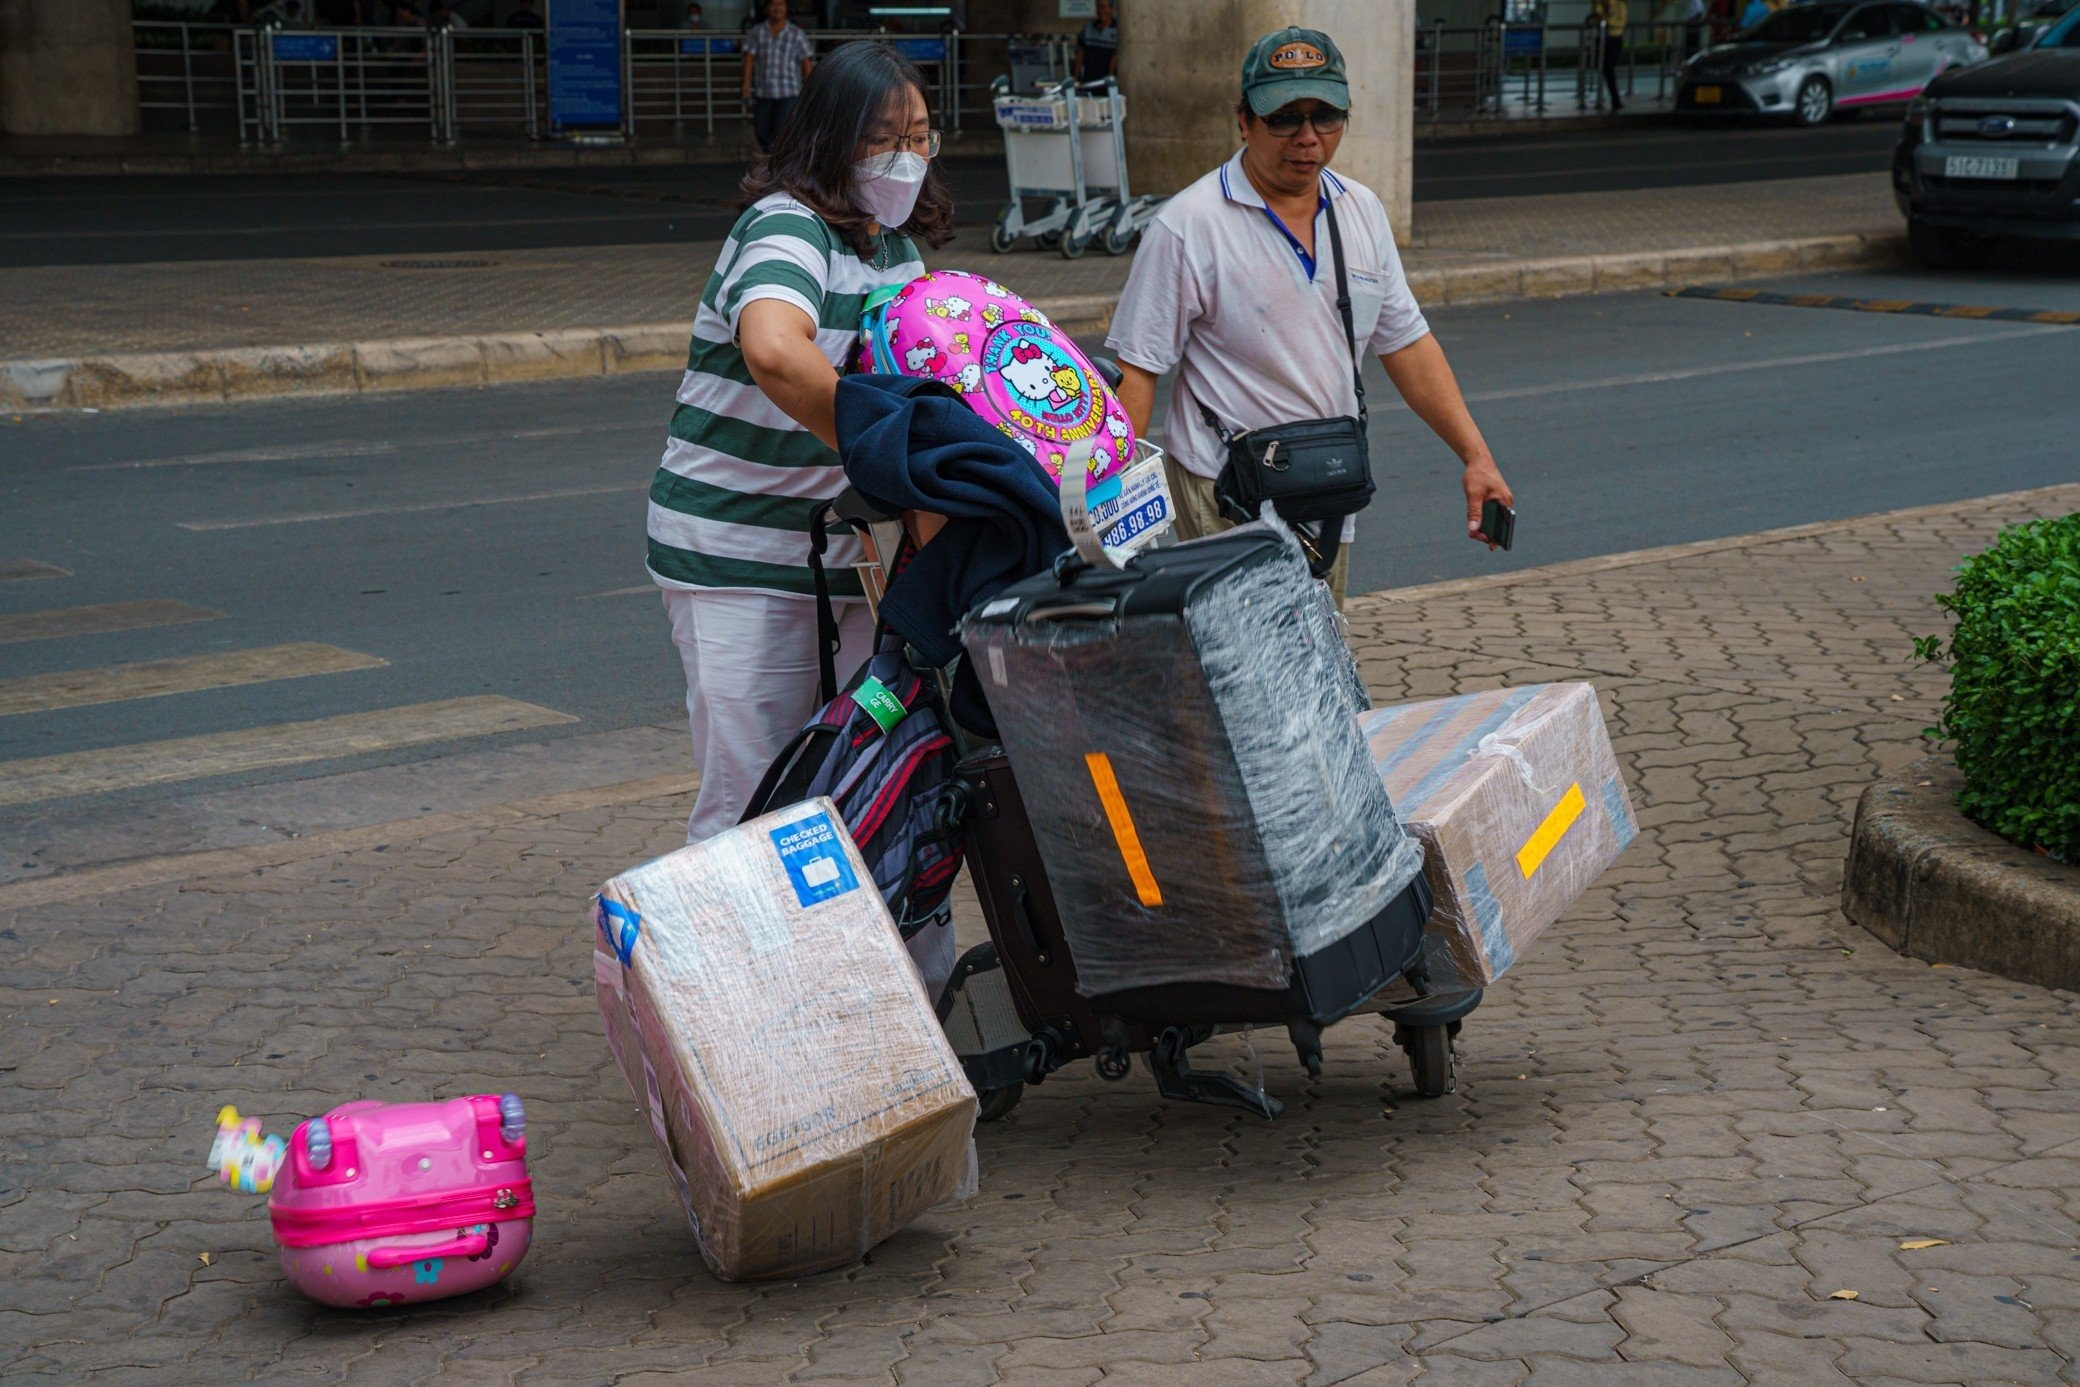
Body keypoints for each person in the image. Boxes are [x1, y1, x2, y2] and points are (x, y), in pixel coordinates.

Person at [648, 43, 954, 986]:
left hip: (843, 567)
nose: (903, 161)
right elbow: (777, 350)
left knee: (861, 778)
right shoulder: (784, 230)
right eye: (882, 141)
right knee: (751, 798)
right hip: (737, 559)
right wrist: (881, 449)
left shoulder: (890, 250)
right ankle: (728, 1029)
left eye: (919, 139)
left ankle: (865, 1003)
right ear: (828, 140)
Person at [1107, 27, 1513, 610]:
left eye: (1326, 117)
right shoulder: (1189, 225)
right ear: (1244, 121)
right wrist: (1112, 502)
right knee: (1245, 673)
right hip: (1227, 489)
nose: (1308, 139)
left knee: (1316, 660)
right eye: (1284, 119)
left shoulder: (1362, 210)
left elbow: (1407, 345)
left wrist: (1476, 456)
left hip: (1325, 482)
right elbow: (1137, 370)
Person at [742, 0, 815, 153]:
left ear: (786, 8)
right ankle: (773, 159)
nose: (777, 8)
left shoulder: (796, 33)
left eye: (781, 4)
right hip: (764, 92)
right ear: (767, 8)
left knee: (780, 131)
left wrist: (810, 87)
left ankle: (776, 164)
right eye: (773, 4)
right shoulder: (757, 31)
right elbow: (749, 57)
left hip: (788, 92)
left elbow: (806, 62)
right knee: (760, 131)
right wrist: (746, 84)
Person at [1590, 0, 1628, 109]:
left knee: (1608, 68)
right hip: (1601, 38)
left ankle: (1615, 99)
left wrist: (1608, 22)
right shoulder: (1599, 4)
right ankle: (1605, 98)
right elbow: (1595, 19)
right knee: (1603, 68)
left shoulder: (1619, 4)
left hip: (1614, 38)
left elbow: (1622, 23)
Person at [1077, 0, 1119, 84]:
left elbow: (1115, 57)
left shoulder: (1118, 30)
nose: (1100, 11)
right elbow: (1080, 55)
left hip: (1107, 83)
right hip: (1089, 81)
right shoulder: (1088, 27)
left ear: (1111, 9)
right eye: (1098, 7)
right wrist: (1075, 79)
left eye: (1103, 7)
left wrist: (1110, 78)